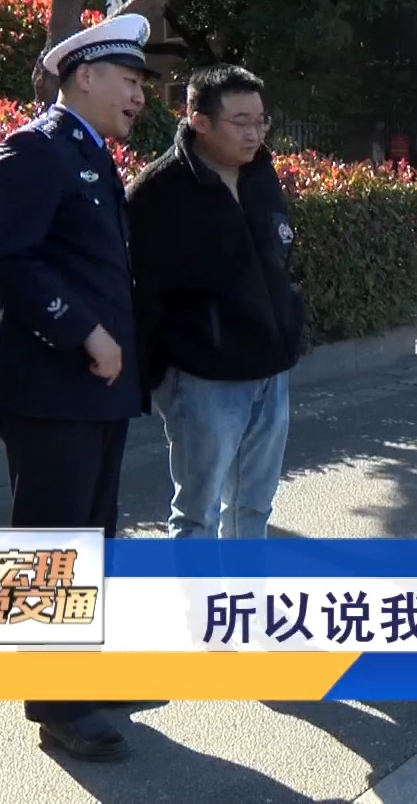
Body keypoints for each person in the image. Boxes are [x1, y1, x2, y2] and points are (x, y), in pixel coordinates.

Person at [0, 13, 153, 761]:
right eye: (129, 80)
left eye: (141, 83)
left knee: (92, 534)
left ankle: (83, 677)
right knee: (53, 541)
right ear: (84, 77)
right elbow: (1, 258)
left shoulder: (89, 154)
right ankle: (58, 706)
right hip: (51, 384)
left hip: (95, 388)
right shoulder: (37, 149)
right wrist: (82, 331)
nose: (138, 96)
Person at [128, 65, 304, 540]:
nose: (254, 134)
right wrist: (155, 375)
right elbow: (141, 292)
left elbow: (279, 257)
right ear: (199, 121)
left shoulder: (262, 174)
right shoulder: (157, 192)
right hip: (203, 376)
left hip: (270, 368)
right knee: (198, 512)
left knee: (254, 505)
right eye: (240, 121)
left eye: (261, 121)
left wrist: (288, 324)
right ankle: (197, 591)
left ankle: (245, 588)